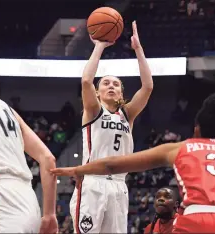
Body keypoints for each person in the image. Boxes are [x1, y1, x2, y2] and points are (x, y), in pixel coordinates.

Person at [51, 93, 215, 233]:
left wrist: (77, 169)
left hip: (198, 219)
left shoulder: (180, 147)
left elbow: (112, 165)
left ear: (196, 129)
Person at [65, 21, 153, 233]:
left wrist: (138, 49)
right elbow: (86, 81)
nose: (111, 86)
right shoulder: (93, 110)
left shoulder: (127, 115)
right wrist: (99, 46)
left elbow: (148, 86)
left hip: (119, 186)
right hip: (93, 183)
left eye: (116, 84)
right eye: (105, 83)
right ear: (97, 93)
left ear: (122, 94)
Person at [0, 50, 58, 233]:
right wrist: (49, 214)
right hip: (29, 199)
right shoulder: (7, 109)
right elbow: (48, 158)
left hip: (1, 196)